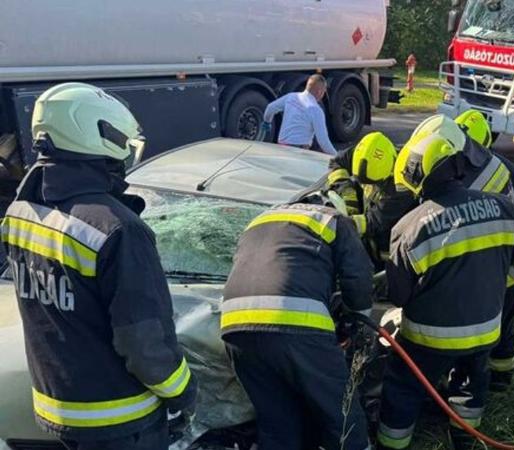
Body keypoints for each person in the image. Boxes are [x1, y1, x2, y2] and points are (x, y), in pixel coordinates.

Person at [0, 83, 197, 449]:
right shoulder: (118, 229)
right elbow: (142, 342)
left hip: (59, 407)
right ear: (98, 134)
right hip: (121, 418)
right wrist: (184, 393)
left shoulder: (21, 212)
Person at [377, 124, 514, 450]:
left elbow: (398, 296)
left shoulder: (408, 228)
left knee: (404, 385)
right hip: (485, 330)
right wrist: (503, 279)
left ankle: (392, 444)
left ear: (415, 180)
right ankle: (465, 440)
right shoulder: (500, 206)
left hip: (427, 337)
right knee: (471, 384)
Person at [220, 192, 374, 450]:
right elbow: (358, 277)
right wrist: (357, 320)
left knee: (276, 421)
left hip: (234, 326)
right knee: (341, 413)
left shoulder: (259, 222)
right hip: (294, 324)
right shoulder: (333, 219)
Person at [451, 110, 514, 390]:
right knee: (504, 319)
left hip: (497, 265)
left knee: (488, 321)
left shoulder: (457, 172)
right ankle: (502, 377)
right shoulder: (504, 166)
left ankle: (477, 379)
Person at [326, 131, 417, 265]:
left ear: (390, 169)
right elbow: (337, 163)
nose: (366, 186)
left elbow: (372, 222)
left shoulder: (403, 187)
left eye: (373, 183)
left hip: (388, 255)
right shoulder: (366, 153)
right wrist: (346, 192)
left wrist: (340, 225)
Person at [263, 74, 337, 155]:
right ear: (319, 92)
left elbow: (270, 108)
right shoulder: (315, 109)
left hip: (282, 146)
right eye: (324, 92)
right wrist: (337, 157)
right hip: (299, 151)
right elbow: (323, 142)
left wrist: (267, 122)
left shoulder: (291, 97)